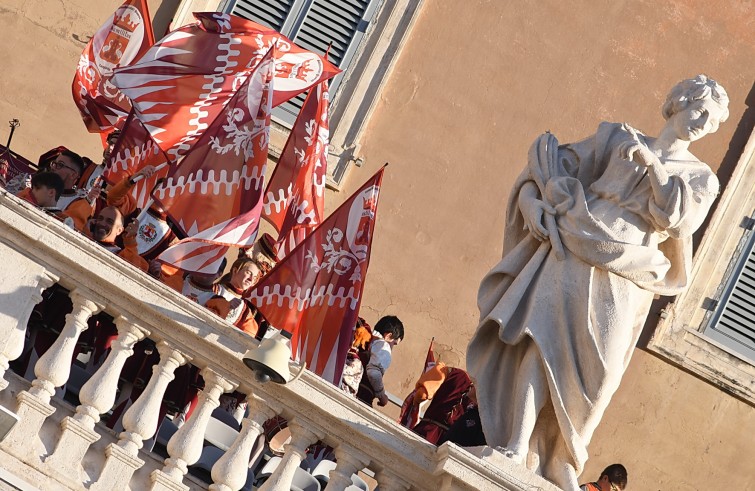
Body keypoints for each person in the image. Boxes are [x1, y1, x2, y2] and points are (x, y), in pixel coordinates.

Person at [466, 75, 728, 490]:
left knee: (599, 374)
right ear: (678, 103)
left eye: (710, 121)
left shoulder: (702, 178)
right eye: (698, 110)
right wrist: (531, 202)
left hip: (631, 270)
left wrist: (653, 166)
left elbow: (681, 220)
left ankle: (563, 455)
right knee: (543, 340)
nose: (702, 122)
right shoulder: (614, 138)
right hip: (576, 242)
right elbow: (548, 163)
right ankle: (517, 445)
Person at [411, 366, 473, 444]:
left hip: (428, 431)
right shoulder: (483, 395)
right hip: (450, 443)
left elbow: (422, 396)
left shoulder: (449, 371)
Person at [206, 256, 265, 336]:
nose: (250, 279)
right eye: (248, 273)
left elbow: (248, 337)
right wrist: (225, 305)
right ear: (235, 271)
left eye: (254, 277)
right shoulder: (212, 289)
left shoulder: (245, 311)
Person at [356, 315, 405, 407]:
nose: (392, 347)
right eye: (394, 343)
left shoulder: (364, 338)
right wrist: (382, 396)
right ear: (389, 336)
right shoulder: (383, 346)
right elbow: (373, 373)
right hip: (361, 397)